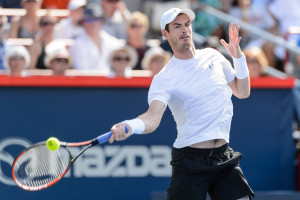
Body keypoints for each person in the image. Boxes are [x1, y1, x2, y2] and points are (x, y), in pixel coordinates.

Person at [109, 8, 254, 200]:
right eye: (177, 26)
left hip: (223, 156)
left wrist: (238, 58)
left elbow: (242, 92)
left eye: (187, 24)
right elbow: (152, 117)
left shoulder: (214, 57)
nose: (184, 30)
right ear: (165, 34)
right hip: (190, 161)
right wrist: (131, 125)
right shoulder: (165, 78)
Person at [69, 3, 122, 72]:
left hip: (111, 82)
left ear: (101, 21)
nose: (93, 23)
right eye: (88, 20)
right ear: (83, 23)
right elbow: (82, 71)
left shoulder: (113, 42)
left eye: (96, 19)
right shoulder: (77, 44)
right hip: (86, 82)